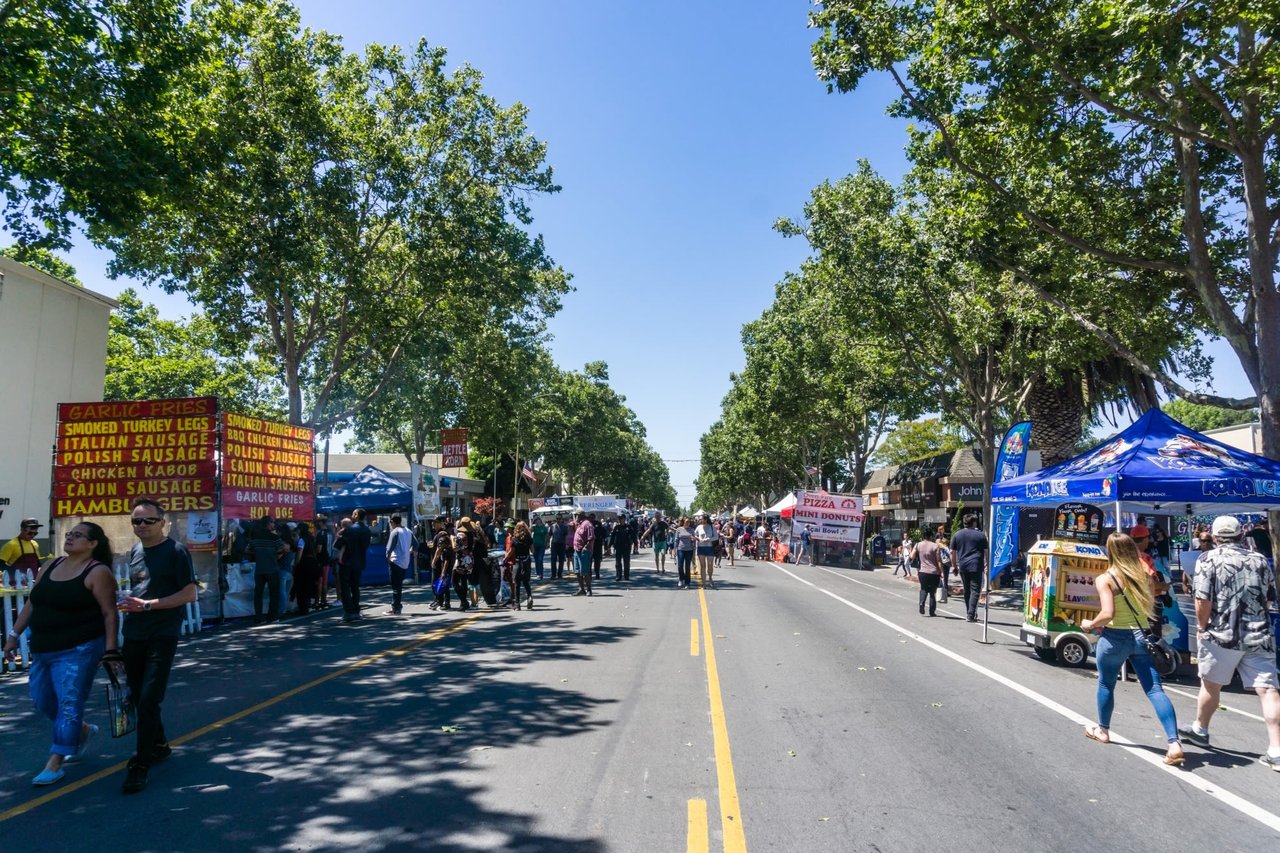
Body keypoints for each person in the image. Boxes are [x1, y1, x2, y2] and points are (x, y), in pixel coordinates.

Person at [3, 522, 117, 786]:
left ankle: (55, 762)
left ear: (93, 544)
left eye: (78, 535)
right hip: (43, 647)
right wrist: (13, 635)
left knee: (69, 703)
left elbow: (109, 613)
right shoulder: (50, 565)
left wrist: (111, 650)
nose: (70, 538)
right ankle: (82, 730)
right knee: (42, 700)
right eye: (69, 534)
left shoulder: (97, 572)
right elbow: (33, 602)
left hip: (79, 649)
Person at [1177, 516, 1280, 770]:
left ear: (1214, 537)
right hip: (1258, 632)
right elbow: (1268, 598)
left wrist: (1202, 627)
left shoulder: (1207, 559)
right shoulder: (1258, 560)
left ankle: (1201, 728)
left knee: (1211, 685)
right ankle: (1276, 749)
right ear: (1240, 535)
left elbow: (1202, 599)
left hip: (1221, 633)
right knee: (1268, 690)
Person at [1080, 533, 1185, 766]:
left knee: (1106, 684)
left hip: (1114, 638)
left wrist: (1090, 623)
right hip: (1141, 636)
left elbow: (1108, 613)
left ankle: (1103, 730)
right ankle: (1174, 743)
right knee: (1155, 689)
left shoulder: (1106, 578)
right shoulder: (1144, 576)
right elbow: (1150, 605)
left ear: (1110, 552)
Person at [117, 498, 198, 793]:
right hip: (134, 632)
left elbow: (189, 594)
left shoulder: (176, 551)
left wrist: (148, 605)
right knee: (138, 695)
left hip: (162, 633)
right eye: (136, 521)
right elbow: (142, 586)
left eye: (148, 521)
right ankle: (160, 744)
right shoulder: (136, 550)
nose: (141, 526)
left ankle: (141, 764)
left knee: (150, 698)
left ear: (162, 523)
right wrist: (130, 603)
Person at [951, 515, 988, 622]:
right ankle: (971, 614)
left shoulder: (957, 535)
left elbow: (952, 552)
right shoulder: (981, 535)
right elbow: (986, 552)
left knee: (967, 590)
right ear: (974, 523)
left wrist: (954, 566)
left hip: (963, 565)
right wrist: (987, 565)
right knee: (975, 590)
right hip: (976, 565)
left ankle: (969, 612)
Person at [247, 517, 285, 623]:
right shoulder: (275, 538)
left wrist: (258, 554)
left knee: (258, 594)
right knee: (274, 594)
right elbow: (282, 549)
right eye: (273, 523)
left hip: (259, 569)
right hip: (272, 569)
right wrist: (275, 555)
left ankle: (258, 618)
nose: (274, 525)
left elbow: (247, 550)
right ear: (268, 524)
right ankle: (272, 617)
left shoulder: (255, 537)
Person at [339, 509, 372, 622]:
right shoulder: (367, 530)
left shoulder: (350, 529)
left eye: (353, 514)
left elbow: (339, 544)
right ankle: (356, 609)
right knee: (355, 586)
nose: (352, 515)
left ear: (357, 515)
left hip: (347, 561)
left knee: (345, 587)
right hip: (359, 561)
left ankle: (349, 611)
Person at [2, 516, 46, 587]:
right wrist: (17, 574)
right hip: (16, 585)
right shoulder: (11, 545)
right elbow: (1, 564)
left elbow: (37, 564)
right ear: (22, 530)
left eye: (35, 534)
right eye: (30, 533)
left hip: (33, 584)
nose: (32, 536)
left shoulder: (34, 544)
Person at [384, 514, 412, 616]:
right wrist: (409, 551)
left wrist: (388, 558)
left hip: (395, 561)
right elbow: (416, 544)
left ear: (392, 522)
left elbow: (389, 548)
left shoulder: (395, 532)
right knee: (398, 586)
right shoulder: (408, 531)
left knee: (395, 586)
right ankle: (397, 606)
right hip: (405, 562)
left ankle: (395, 608)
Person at [911, 530, 943, 616]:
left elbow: (911, 556)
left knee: (923, 589)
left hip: (922, 571)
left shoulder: (918, 545)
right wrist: (941, 571)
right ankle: (932, 611)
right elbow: (939, 560)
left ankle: (922, 603)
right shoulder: (935, 546)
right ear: (931, 536)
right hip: (934, 572)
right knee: (933, 592)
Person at [293, 522, 319, 615]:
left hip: (304, 565)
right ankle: (308, 606)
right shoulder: (312, 538)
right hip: (313, 563)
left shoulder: (302, 540)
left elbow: (299, 555)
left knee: (301, 587)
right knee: (309, 585)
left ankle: (302, 607)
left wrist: (295, 565)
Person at [508, 521, 534, 610]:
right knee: (526, 581)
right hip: (526, 560)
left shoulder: (514, 539)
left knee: (517, 583)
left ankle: (517, 604)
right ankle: (529, 596)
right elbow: (533, 551)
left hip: (518, 562)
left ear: (516, 529)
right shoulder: (529, 538)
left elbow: (511, 552)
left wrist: (505, 559)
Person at [573, 510, 595, 596]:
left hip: (583, 551)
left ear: (580, 516)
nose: (575, 517)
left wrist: (586, 547)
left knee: (585, 571)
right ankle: (581, 589)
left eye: (576, 515)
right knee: (577, 571)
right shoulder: (579, 524)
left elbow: (591, 538)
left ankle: (589, 589)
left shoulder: (587, 524)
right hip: (576, 550)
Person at [694, 513, 719, 589]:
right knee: (703, 566)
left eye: (702, 519)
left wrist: (708, 539)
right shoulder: (699, 527)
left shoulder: (712, 526)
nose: (701, 520)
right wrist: (698, 538)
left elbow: (716, 537)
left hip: (709, 547)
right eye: (700, 519)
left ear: (706, 519)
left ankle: (710, 578)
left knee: (710, 565)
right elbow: (694, 535)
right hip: (701, 547)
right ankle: (704, 582)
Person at [674, 517, 696, 589]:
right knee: (680, 566)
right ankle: (681, 579)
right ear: (683, 522)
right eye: (686, 521)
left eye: (689, 522)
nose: (688, 523)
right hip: (680, 549)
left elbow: (694, 540)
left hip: (689, 550)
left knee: (687, 567)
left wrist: (693, 540)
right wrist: (674, 549)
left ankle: (687, 582)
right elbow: (676, 540)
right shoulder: (679, 529)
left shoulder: (691, 530)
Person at [611, 516, 632, 581]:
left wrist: (636, 544)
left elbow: (633, 535)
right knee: (618, 563)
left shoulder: (628, 527)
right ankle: (618, 576)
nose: (620, 520)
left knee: (626, 562)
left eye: (621, 519)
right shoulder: (617, 527)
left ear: (624, 519)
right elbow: (613, 536)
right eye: (619, 519)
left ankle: (626, 576)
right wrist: (610, 545)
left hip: (626, 547)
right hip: (618, 547)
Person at [937, 535, 952, 603]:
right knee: (945, 577)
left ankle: (943, 590)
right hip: (945, 563)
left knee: (942, 577)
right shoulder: (945, 548)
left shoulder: (939, 547)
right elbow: (949, 553)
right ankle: (944, 591)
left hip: (941, 563)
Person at [590, 513, 605, 580]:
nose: (591, 519)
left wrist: (601, 538)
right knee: (589, 560)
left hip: (597, 544)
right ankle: (589, 574)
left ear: (594, 517)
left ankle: (597, 573)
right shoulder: (587, 524)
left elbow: (603, 532)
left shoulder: (598, 524)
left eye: (592, 517)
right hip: (590, 545)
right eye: (590, 517)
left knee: (597, 560)